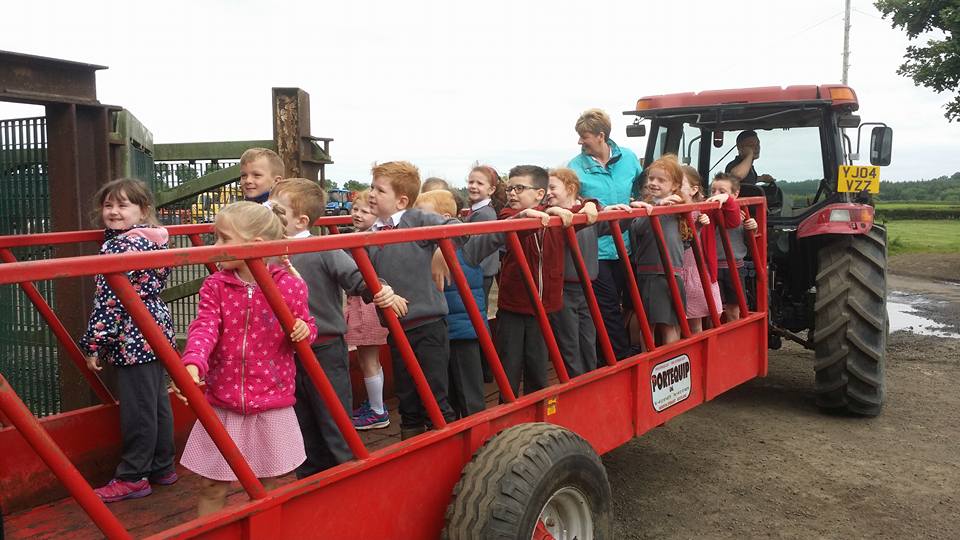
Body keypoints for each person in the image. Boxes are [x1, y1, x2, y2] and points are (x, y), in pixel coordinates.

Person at [176, 201, 317, 516]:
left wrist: (301, 330)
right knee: (212, 484)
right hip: (224, 401)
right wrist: (193, 362)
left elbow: (308, 328)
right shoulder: (216, 286)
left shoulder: (290, 287)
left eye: (224, 239)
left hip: (272, 400)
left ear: (255, 246)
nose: (216, 247)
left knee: (270, 484)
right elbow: (204, 327)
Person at [269, 179, 404, 476]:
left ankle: (345, 471)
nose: (268, 210)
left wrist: (381, 289)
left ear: (301, 220)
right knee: (299, 415)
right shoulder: (268, 252)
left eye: (276, 208)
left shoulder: (321, 249)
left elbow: (356, 277)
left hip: (324, 346)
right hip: (286, 349)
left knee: (332, 415)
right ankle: (309, 475)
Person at [80, 178, 177, 503]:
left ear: (143, 210)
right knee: (156, 401)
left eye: (123, 206)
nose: (114, 212)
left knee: (138, 408)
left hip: (131, 333)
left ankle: (134, 475)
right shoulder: (154, 240)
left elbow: (110, 301)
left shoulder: (118, 247)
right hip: (154, 327)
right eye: (109, 205)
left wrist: (95, 345)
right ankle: (162, 466)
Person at [464, 165, 597, 398]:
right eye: (509, 188)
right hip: (515, 307)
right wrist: (526, 216)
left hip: (545, 308)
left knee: (538, 370)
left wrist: (591, 204)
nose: (512, 193)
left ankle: (538, 417)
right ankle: (508, 420)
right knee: (510, 369)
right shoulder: (508, 215)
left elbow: (586, 209)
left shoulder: (555, 217)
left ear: (539, 194)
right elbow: (513, 226)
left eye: (519, 188)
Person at [365, 161, 463, 440]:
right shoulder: (371, 234)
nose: (372, 194)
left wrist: (442, 250)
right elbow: (362, 274)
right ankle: (410, 434)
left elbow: (456, 226)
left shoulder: (416, 220)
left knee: (433, 386)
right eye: (372, 187)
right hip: (397, 324)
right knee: (405, 387)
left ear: (401, 201)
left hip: (428, 321)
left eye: (379, 190)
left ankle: (444, 436)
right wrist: (381, 287)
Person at [567, 108, 643, 359]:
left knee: (630, 301)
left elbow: (643, 187)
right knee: (607, 305)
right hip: (595, 247)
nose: (580, 141)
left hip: (626, 244)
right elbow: (569, 200)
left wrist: (641, 202)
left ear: (601, 136)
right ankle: (618, 358)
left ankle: (614, 352)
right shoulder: (575, 167)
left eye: (584, 136)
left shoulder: (629, 158)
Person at [414, 189, 487, 418]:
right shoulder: (421, 246)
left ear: (444, 217)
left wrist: (443, 243)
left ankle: (478, 432)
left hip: (463, 329)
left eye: (424, 216)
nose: (419, 221)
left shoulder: (465, 248)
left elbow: (460, 228)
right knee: (449, 388)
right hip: (441, 329)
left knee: (469, 390)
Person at [544, 167, 605, 374]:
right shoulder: (548, 217)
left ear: (570, 188)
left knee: (588, 337)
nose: (548, 192)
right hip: (564, 287)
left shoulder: (589, 212)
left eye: (552, 187)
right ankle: (575, 383)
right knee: (568, 341)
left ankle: (589, 378)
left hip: (587, 285)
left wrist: (623, 210)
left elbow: (611, 223)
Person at [342, 190, 394, 430]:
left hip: (366, 305)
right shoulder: (360, 236)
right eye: (355, 209)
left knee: (368, 358)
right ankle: (376, 405)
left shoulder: (367, 240)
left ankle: (377, 410)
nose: (358, 214)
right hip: (363, 303)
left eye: (365, 211)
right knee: (368, 358)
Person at [625, 155, 688, 345]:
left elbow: (688, 234)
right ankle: (650, 364)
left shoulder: (679, 206)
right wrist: (649, 210)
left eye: (661, 180)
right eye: (651, 178)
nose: (653, 183)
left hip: (671, 271)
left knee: (671, 324)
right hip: (651, 272)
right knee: (648, 325)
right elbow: (637, 230)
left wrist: (673, 202)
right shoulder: (645, 206)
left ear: (674, 184)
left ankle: (671, 364)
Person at [677, 165, 736, 333]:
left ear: (694, 189)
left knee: (706, 317)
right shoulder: (670, 210)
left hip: (700, 270)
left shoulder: (707, 208)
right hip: (679, 270)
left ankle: (707, 353)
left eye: (679, 184)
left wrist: (728, 199)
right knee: (684, 322)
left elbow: (732, 221)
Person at [710, 173, 759, 321]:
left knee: (733, 308)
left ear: (735, 194)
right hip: (713, 267)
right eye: (713, 191)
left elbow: (749, 238)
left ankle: (732, 337)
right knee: (712, 310)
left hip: (735, 267)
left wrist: (753, 227)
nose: (716, 195)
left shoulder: (742, 214)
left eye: (722, 192)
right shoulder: (708, 213)